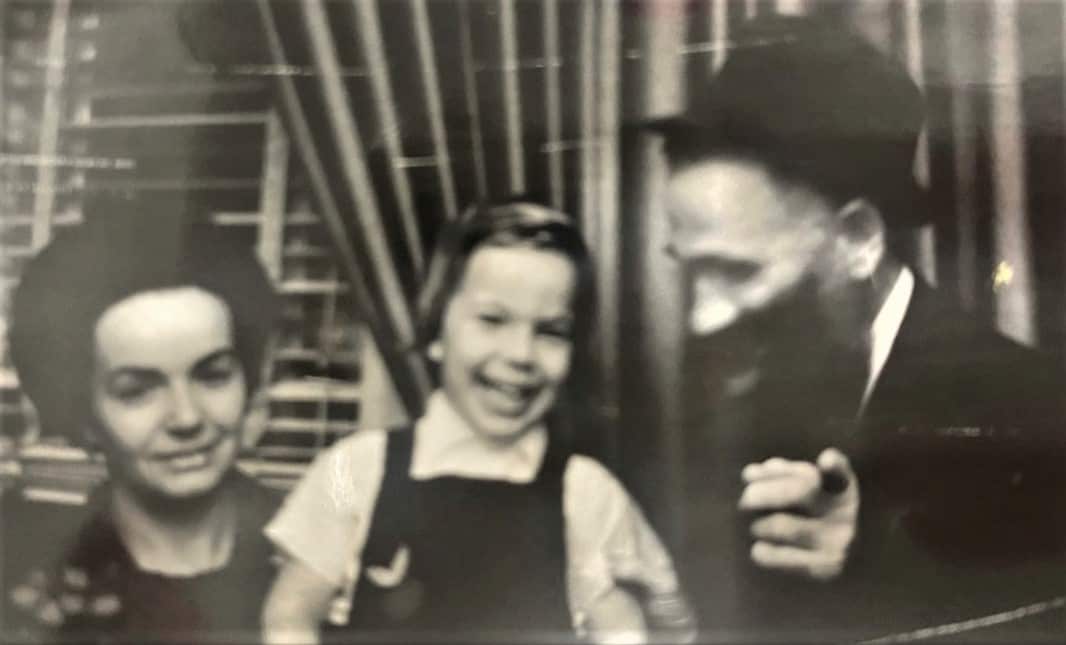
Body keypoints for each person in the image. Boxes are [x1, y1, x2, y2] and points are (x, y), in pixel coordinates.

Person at [646, 15, 1066, 641]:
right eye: (692, 272)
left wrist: (877, 556)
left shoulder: (1033, 407)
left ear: (858, 240)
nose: (701, 316)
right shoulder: (746, 389)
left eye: (738, 271)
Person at [261, 201, 693, 644]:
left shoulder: (588, 494)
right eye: (493, 320)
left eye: (551, 331)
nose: (521, 354)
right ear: (435, 332)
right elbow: (289, 616)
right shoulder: (353, 469)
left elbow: (626, 634)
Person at [2, 204, 283, 642]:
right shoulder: (37, 603)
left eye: (213, 375)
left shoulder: (327, 555)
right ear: (83, 417)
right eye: (137, 391)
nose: (187, 417)